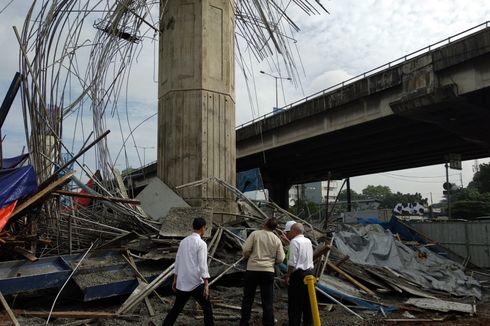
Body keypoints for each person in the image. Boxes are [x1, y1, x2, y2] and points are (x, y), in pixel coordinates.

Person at [162, 217, 214, 326]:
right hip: (196, 282)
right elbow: (203, 265)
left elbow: (178, 262)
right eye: (205, 228)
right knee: (207, 309)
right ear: (202, 228)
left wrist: (175, 280)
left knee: (176, 309)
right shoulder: (201, 244)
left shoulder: (183, 242)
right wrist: (206, 284)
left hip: (183, 282)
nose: (205, 230)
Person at [240, 218, 285, 326]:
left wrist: (249, 257)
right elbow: (281, 258)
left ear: (265, 224)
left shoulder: (255, 234)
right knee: (267, 300)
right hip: (268, 271)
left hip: (252, 269)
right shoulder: (276, 239)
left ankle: (244, 322)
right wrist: (272, 262)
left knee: (248, 298)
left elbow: (245, 249)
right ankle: (268, 323)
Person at [284, 223, 314, 326]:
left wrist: (288, 275)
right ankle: (308, 323)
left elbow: (292, 261)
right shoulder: (308, 241)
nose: (288, 234)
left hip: (298, 275)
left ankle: (294, 323)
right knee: (308, 303)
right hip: (309, 274)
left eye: (289, 232)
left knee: (295, 304)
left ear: (293, 231)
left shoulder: (294, 241)